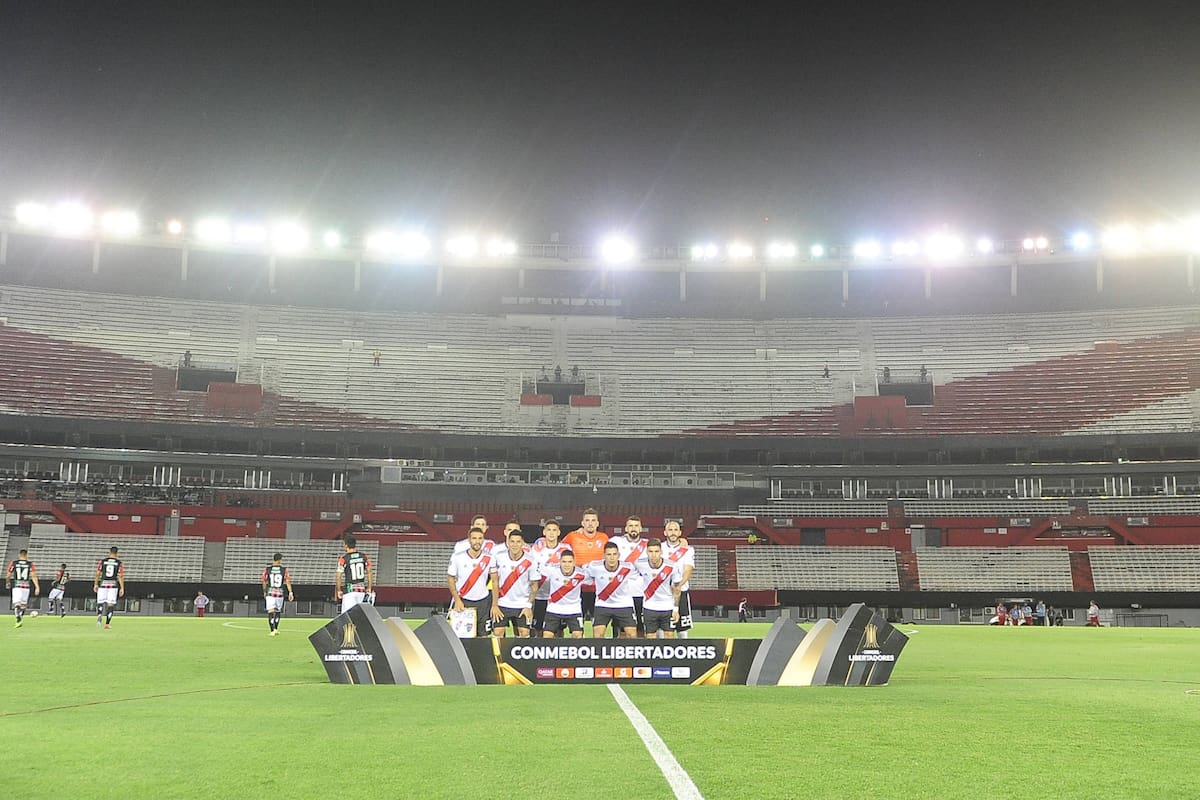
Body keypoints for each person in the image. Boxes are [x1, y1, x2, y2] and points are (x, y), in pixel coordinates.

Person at [490, 528, 539, 638]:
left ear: (522, 543)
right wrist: (494, 604)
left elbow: (534, 586)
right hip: (502, 603)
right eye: (512, 541)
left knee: (524, 633)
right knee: (497, 633)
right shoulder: (498, 557)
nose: (515, 545)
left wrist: (528, 606)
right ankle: (499, 656)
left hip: (522, 604)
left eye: (518, 541)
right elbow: (494, 581)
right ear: (508, 542)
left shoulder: (531, 561)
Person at [447, 526, 495, 637]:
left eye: (480, 538)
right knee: (461, 636)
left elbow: (495, 581)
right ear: (469, 540)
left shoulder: (489, 558)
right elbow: (450, 579)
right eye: (474, 538)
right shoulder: (457, 557)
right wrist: (457, 600)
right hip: (464, 601)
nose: (477, 541)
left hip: (483, 602)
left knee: (484, 637)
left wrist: (494, 603)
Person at [562, 508, 608, 620]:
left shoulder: (604, 538)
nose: (590, 523)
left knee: (598, 623)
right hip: (577, 588)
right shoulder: (572, 536)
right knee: (576, 623)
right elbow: (559, 551)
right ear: (582, 523)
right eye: (587, 520)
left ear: (597, 523)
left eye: (593, 520)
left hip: (598, 588)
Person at [586, 542, 639, 639]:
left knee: (631, 634)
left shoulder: (628, 567)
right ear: (604, 556)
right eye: (609, 554)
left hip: (624, 604)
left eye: (614, 554)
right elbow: (584, 576)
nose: (612, 557)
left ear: (618, 555)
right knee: (598, 635)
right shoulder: (594, 566)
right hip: (603, 604)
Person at [529, 520, 570, 634]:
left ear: (558, 532)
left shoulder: (565, 549)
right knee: (538, 629)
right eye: (549, 530)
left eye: (554, 530)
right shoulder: (536, 550)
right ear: (544, 532)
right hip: (540, 596)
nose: (551, 533)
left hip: (558, 597)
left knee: (559, 630)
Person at [611, 515, 649, 635]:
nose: (634, 528)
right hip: (621, 594)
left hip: (641, 593)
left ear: (641, 528)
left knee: (641, 628)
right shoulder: (615, 541)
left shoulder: (648, 545)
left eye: (636, 526)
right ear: (626, 528)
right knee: (621, 629)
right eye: (631, 526)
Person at [638, 539, 683, 638]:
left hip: (667, 606)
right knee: (650, 637)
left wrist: (676, 609)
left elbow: (677, 588)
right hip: (649, 607)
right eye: (650, 551)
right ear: (646, 552)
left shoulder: (671, 566)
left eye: (656, 551)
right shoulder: (639, 564)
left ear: (661, 552)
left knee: (669, 636)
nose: (653, 555)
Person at [537, 550, 585, 638]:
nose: (567, 565)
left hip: (574, 609)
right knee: (547, 636)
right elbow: (535, 566)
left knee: (578, 636)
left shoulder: (582, 573)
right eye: (564, 562)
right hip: (554, 608)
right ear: (560, 562)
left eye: (570, 562)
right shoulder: (551, 569)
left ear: (574, 562)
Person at [662, 520, 696, 637]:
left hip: (681, 592)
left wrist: (679, 585)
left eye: (675, 530)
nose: (673, 532)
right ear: (665, 532)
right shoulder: (659, 549)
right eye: (670, 530)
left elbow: (688, 569)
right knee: (662, 629)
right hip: (662, 594)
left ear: (680, 532)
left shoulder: (688, 550)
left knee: (682, 629)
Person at [335, 534, 373, 614]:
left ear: (346, 545)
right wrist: (369, 587)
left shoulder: (343, 559)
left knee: (347, 617)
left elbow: (338, 576)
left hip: (349, 591)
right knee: (358, 617)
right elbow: (369, 572)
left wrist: (338, 590)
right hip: (361, 591)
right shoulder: (364, 557)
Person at [262, 552, 294, 636]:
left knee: (270, 611)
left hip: (270, 592)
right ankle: (276, 628)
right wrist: (290, 592)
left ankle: (272, 630)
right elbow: (288, 581)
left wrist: (265, 591)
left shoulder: (267, 569)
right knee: (278, 611)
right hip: (280, 593)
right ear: (279, 560)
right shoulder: (284, 570)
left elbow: (264, 581)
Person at [6, 549, 39, 628]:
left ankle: (18, 619)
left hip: (17, 586)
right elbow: (34, 576)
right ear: (26, 555)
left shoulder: (14, 563)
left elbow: (8, 574)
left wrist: (8, 582)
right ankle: (20, 619)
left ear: (19, 555)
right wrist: (37, 587)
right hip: (26, 587)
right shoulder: (30, 564)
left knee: (17, 604)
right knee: (23, 605)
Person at [93, 546, 125, 629]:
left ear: (109, 552)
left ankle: (99, 615)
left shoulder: (103, 561)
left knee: (100, 602)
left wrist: (96, 584)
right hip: (113, 585)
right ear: (117, 553)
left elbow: (97, 573)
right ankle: (107, 624)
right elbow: (120, 576)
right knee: (110, 604)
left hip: (103, 584)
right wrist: (122, 588)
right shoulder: (119, 563)